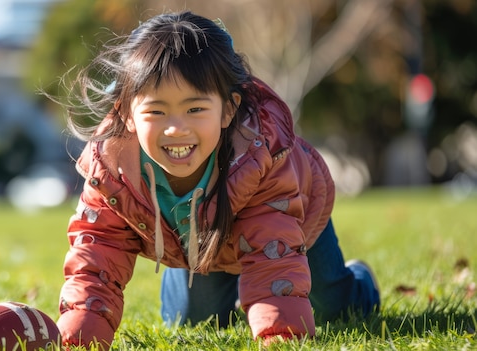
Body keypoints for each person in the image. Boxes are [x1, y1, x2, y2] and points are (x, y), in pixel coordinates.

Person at [56, 11, 380, 349]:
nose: (176, 128)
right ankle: (235, 295)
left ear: (228, 110)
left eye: (195, 109)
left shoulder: (260, 159)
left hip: (289, 222)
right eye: (156, 111)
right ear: (127, 113)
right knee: (193, 319)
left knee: (334, 307)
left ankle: (359, 283)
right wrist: (81, 336)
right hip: (202, 246)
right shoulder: (112, 173)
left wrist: (280, 336)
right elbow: (96, 257)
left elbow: (274, 253)